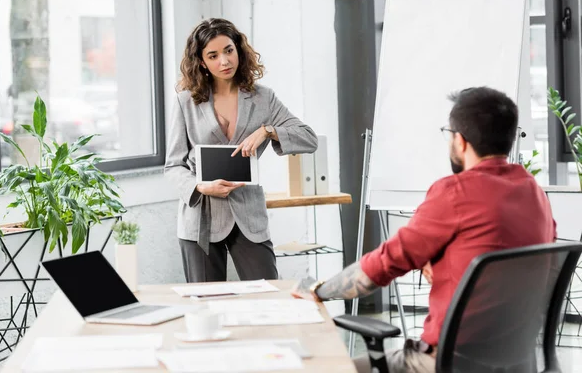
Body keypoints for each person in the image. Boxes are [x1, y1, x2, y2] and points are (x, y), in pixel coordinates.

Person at [292, 87, 556, 373]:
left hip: (446, 362)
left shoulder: (456, 192)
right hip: (517, 362)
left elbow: (382, 265)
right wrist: (443, 262)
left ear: (461, 142)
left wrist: (320, 290)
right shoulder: (534, 192)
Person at [165, 18, 318, 283]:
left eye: (228, 50)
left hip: (248, 218)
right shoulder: (185, 102)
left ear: (238, 49)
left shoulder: (263, 98)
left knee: (269, 298)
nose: (224, 61)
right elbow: (173, 166)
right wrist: (200, 187)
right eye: (213, 55)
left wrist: (268, 131)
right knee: (206, 306)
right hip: (201, 218)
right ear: (202, 62)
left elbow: (309, 138)